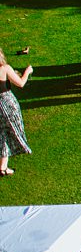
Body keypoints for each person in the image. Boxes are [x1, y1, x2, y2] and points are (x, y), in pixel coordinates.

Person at [0, 48, 33, 177]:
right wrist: (27, 71)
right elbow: (20, 83)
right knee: (12, 131)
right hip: (7, 103)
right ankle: (4, 166)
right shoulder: (5, 68)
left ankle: (3, 167)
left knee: (2, 134)